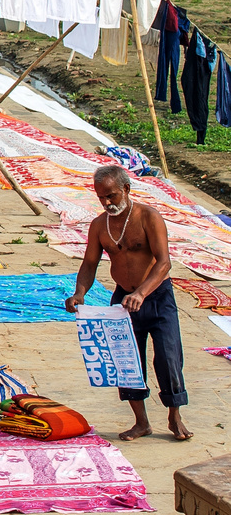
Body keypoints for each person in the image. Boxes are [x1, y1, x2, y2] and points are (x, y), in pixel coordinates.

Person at [65, 166, 191, 441]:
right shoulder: (100, 225)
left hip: (156, 297)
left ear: (126, 189)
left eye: (111, 195)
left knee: (168, 357)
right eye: (101, 197)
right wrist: (80, 292)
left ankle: (175, 415)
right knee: (127, 362)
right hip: (123, 301)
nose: (107, 202)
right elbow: (89, 263)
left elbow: (164, 262)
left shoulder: (148, 217)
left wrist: (142, 292)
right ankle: (142, 422)